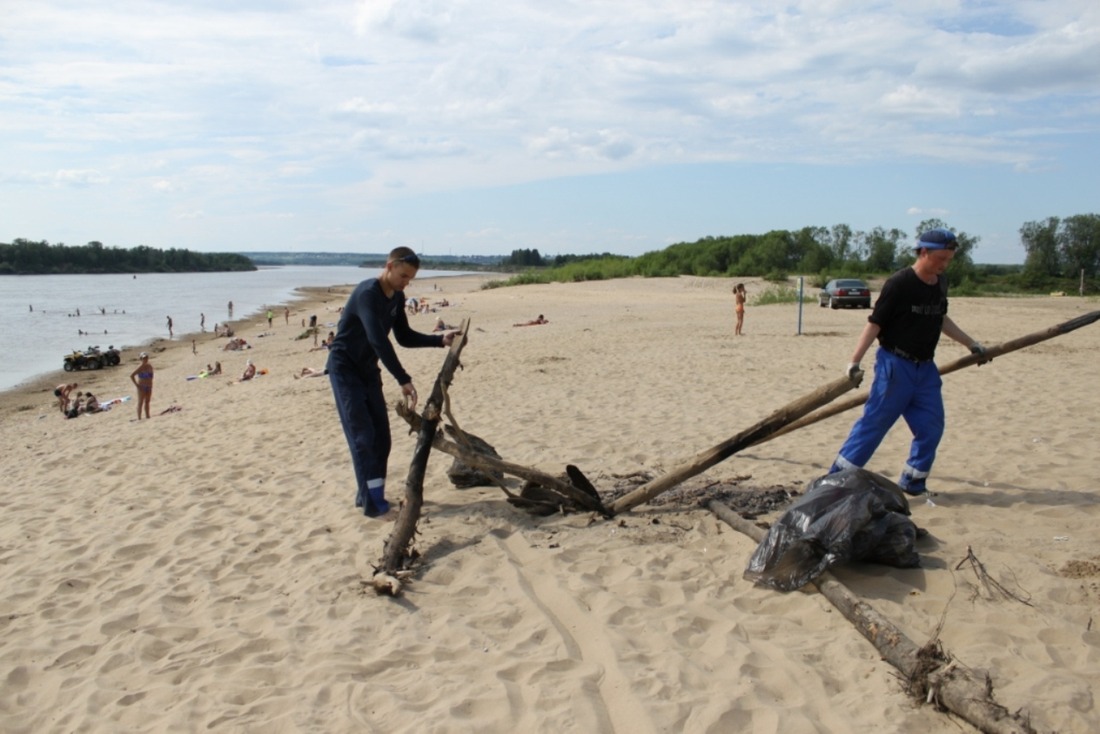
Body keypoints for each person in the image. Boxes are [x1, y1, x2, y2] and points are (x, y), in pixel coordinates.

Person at [827, 228, 988, 497]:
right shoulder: (899, 283)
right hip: (895, 367)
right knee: (874, 426)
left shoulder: (941, 282)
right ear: (923, 252)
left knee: (931, 428)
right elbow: (875, 323)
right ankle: (835, 481)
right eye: (940, 258)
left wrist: (971, 344)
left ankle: (913, 481)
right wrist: (854, 361)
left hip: (925, 370)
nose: (944, 264)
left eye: (949, 259)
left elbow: (941, 319)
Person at [327, 247, 458, 518]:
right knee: (362, 437)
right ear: (389, 266)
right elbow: (378, 339)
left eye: (410, 278)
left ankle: (369, 496)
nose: (405, 282)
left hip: (367, 370)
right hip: (345, 370)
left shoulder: (397, 297)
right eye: (402, 276)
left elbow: (404, 336)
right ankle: (373, 505)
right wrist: (403, 379)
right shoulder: (367, 294)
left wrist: (439, 339)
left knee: (382, 439)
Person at [130, 352, 154, 420]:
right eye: (143, 358)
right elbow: (132, 376)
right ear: (141, 359)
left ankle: (147, 416)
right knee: (140, 402)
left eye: (146, 358)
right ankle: (139, 418)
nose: (145, 359)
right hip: (142, 386)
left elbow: (151, 377)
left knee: (147, 401)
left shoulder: (150, 366)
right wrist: (137, 385)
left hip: (149, 386)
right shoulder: (140, 367)